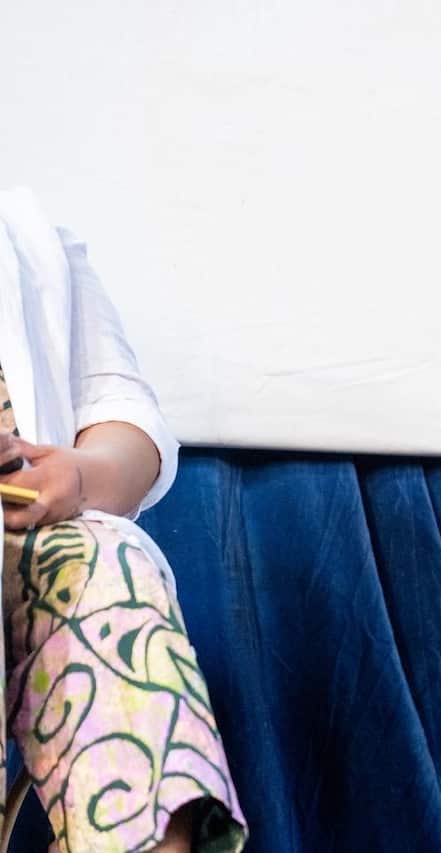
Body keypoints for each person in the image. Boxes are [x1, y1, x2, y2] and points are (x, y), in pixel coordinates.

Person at [0, 188, 245, 852]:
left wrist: (75, 473)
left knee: (111, 569)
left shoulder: (27, 233)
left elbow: (129, 425)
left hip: (29, 543)